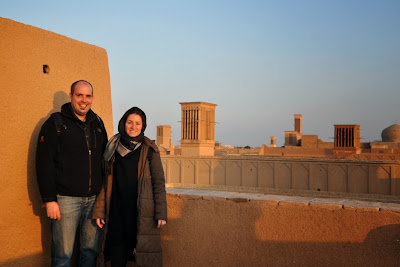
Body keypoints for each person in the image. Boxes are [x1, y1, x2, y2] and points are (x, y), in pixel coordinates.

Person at [36, 80, 108, 266]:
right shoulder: (56, 123)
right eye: (79, 95)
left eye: (88, 96)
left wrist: (102, 200)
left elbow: (105, 161)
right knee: (63, 257)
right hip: (65, 201)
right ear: (71, 97)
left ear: (92, 98)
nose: (84, 100)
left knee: (89, 254)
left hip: (93, 201)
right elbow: (44, 163)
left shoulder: (97, 124)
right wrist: (49, 199)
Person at [92, 107, 167, 267]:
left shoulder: (150, 149)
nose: (133, 127)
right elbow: (105, 181)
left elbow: (158, 182)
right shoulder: (112, 147)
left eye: (138, 123)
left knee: (140, 255)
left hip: (140, 211)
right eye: (130, 122)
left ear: (143, 125)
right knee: (116, 255)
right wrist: (99, 210)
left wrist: (161, 213)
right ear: (123, 123)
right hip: (116, 211)